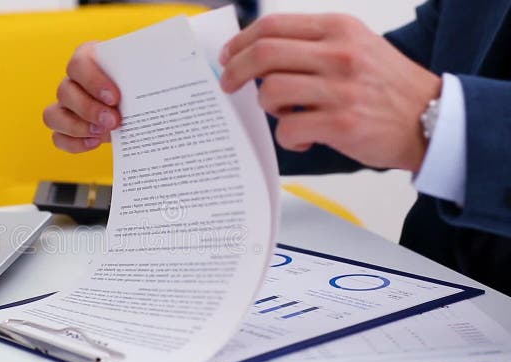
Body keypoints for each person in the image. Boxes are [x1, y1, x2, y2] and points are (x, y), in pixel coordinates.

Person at [41, 1, 511, 296]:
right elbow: (361, 98)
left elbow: (415, 102)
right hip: (437, 311)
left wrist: (439, 121)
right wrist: (155, 95)